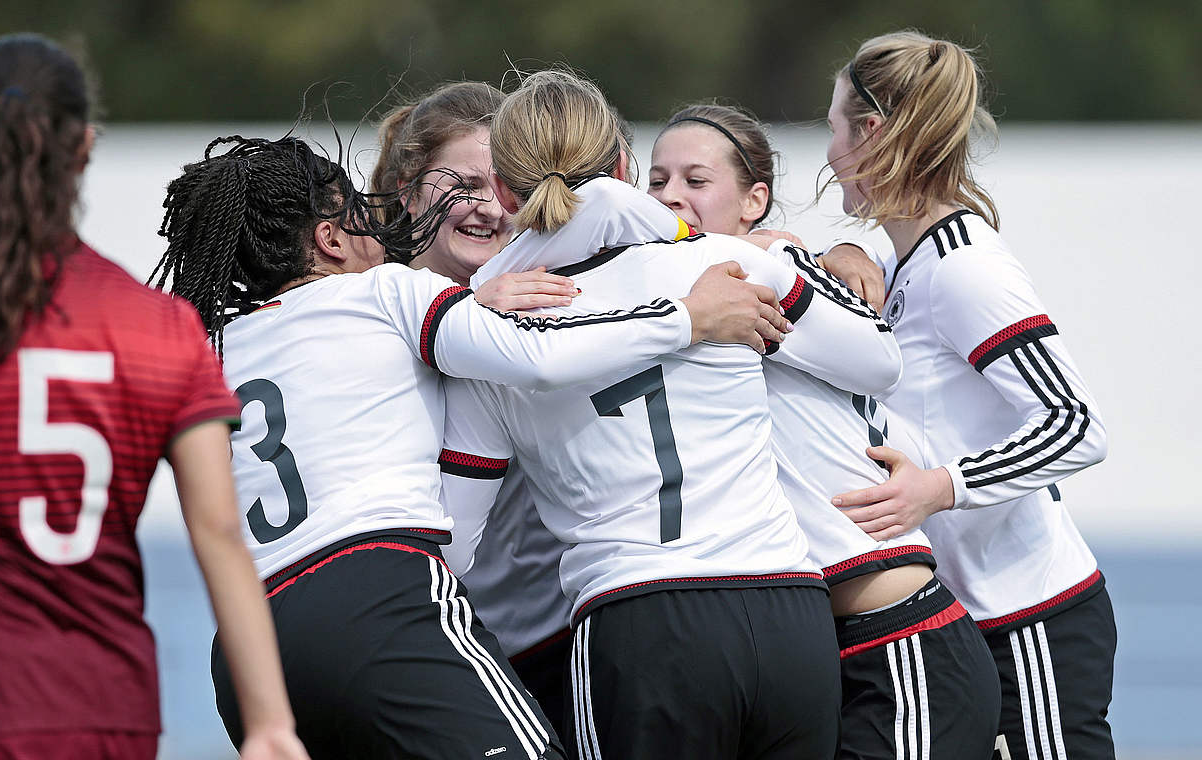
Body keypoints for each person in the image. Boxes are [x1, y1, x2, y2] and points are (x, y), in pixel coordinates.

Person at [152, 132, 785, 760]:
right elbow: (534, 356)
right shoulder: (385, 290)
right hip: (372, 594)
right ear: (329, 240)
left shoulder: (214, 353)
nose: (383, 232)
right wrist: (688, 317)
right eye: (361, 217)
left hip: (244, 649)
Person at [0, 34, 307, 760]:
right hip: (113, 710)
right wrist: (271, 723)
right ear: (84, 146)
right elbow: (217, 532)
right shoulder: (160, 327)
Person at [441, 69, 906, 760]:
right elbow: (878, 363)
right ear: (627, 169)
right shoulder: (726, 264)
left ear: (505, 192)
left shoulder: (493, 336)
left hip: (643, 620)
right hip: (788, 611)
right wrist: (799, 257)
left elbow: (455, 543)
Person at [648, 102, 1000, 760]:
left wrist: (794, 252)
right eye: (657, 180)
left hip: (904, 644)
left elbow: (879, 357)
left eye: (696, 181)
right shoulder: (686, 291)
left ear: (755, 200)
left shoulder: (767, 270)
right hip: (823, 645)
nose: (671, 196)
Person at [820, 31, 1114, 760]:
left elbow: (1077, 423)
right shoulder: (901, 255)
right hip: (965, 625)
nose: (826, 153)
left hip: (1031, 620)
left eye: (832, 127)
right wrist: (844, 252)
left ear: (871, 133)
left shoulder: (965, 269)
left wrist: (941, 488)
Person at [371, 80, 576, 727]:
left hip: (548, 643)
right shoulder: (363, 310)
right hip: (416, 649)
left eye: (501, 186)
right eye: (461, 185)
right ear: (407, 190)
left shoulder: (559, 299)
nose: (486, 207)